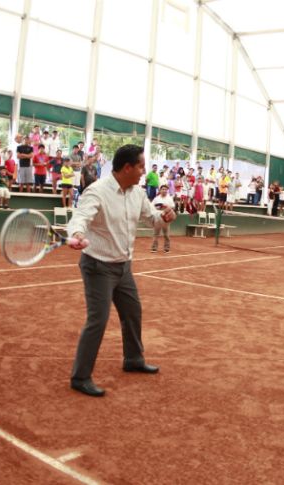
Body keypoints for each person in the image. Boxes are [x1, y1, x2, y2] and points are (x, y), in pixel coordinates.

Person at [65, 144, 176, 397]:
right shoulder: (97, 191)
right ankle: (80, 377)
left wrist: (166, 217)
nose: (143, 171)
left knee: (132, 311)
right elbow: (80, 218)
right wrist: (78, 234)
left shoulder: (137, 193)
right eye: (140, 166)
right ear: (127, 167)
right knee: (98, 319)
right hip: (98, 267)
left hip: (123, 266)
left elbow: (153, 218)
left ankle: (134, 359)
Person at [150, 184, 175, 253]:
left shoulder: (169, 198)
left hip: (166, 217)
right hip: (157, 216)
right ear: (160, 190)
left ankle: (166, 248)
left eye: (165, 189)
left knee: (166, 234)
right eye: (163, 189)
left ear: (167, 191)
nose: (164, 190)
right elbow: (151, 206)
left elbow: (172, 207)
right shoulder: (156, 198)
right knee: (155, 234)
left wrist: (166, 208)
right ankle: (154, 248)